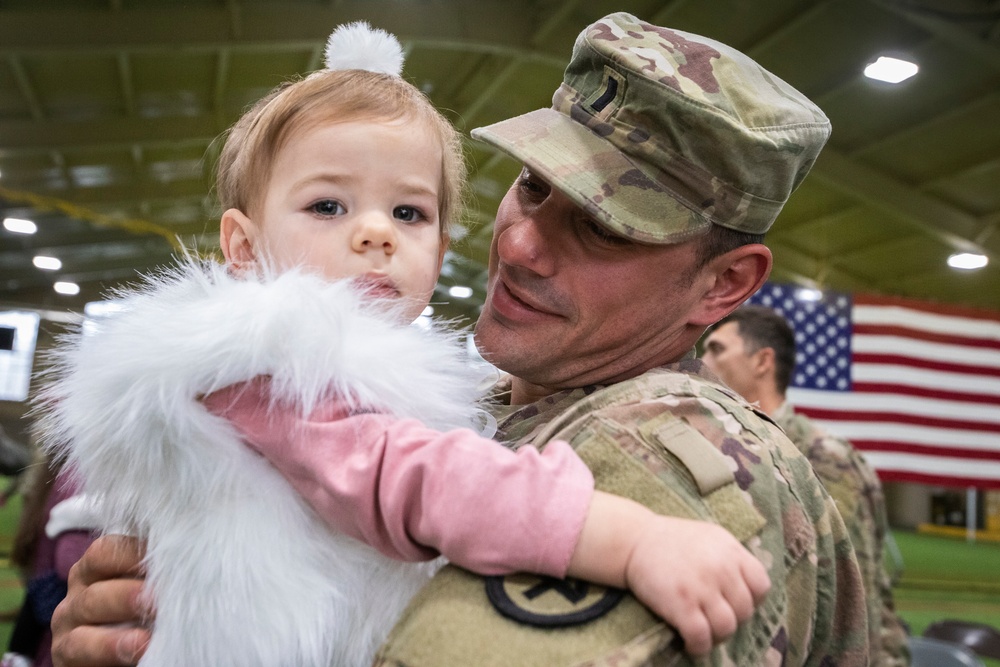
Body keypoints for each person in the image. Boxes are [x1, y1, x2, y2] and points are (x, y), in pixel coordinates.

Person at [49, 12, 871, 667]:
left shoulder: (674, 454)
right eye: (533, 184)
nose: (515, 244)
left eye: (605, 226)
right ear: (240, 243)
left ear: (724, 285)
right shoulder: (303, 373)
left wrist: (630, 535)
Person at [701, 305, 912, 666]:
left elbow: (847, 594)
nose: (703, 361)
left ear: (762, 362)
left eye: (717, 349)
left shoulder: (823, 459)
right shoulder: (726, 443)